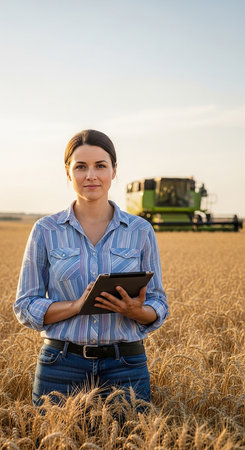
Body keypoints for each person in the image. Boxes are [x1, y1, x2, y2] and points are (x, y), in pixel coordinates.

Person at [14, 129, 169, 408]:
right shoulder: (45, 230)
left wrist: (137, 312)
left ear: (114, 170)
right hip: (60, 365)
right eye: (81, 167)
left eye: (100, 165)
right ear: (67, 172)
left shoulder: (140, 231)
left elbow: (158, 302)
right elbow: (25, 304)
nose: (91, 175)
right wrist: (76, 306)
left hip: (127, 365)